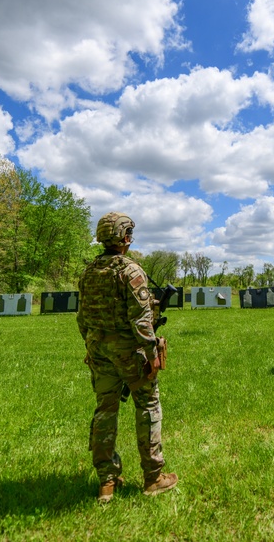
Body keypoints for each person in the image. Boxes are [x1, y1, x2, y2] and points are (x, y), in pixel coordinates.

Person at [77, 212, 177, 503]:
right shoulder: (130, 270)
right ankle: (153, 477)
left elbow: (82, 318)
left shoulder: (89, 271)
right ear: (124, 237)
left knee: (105, 410)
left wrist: (91, 346)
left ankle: (107, 482)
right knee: (148, 406)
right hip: (130, 352)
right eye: (129, 233)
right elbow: (141, 321)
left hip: (99, 350)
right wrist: (151, 354)